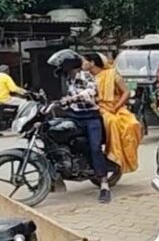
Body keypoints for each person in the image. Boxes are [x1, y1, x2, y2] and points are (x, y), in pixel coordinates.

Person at [47, 49, 111, 203]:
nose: (60, 70)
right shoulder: (69, 79)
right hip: (74, 116)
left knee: (95, 149)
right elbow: (69, 98)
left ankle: (104, 185)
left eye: (61, 66)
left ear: (68, 64)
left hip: (91, 117)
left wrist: (72, 99)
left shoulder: (85, 75)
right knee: (53, 135)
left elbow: (90, 92)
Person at [83, 53, 142, 174]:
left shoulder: (112, 74)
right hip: (97, 108)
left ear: (92, 62)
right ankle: (113, 155)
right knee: (112, 122)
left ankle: (123, 158)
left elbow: (126, 92)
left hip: (115, 107)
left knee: (132, 125)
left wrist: (116, 107)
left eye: (84, 61)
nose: (82, 63)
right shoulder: (84, 77)